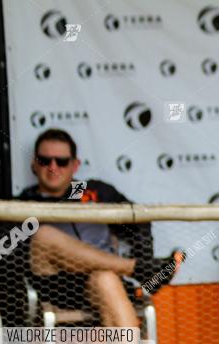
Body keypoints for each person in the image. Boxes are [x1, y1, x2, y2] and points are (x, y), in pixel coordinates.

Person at [19, 128, 182, 328]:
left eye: (61, 162)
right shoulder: (22, 201)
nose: (53, 167)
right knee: (43, 235)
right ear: (34, 164)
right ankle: (138, 269)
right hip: (56, 286)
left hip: (104, 279)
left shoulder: (94, 190)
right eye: (45, 160)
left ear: (75, 165)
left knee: (106, 279)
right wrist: (143, 267)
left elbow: (138, 220)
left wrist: (144, 255)